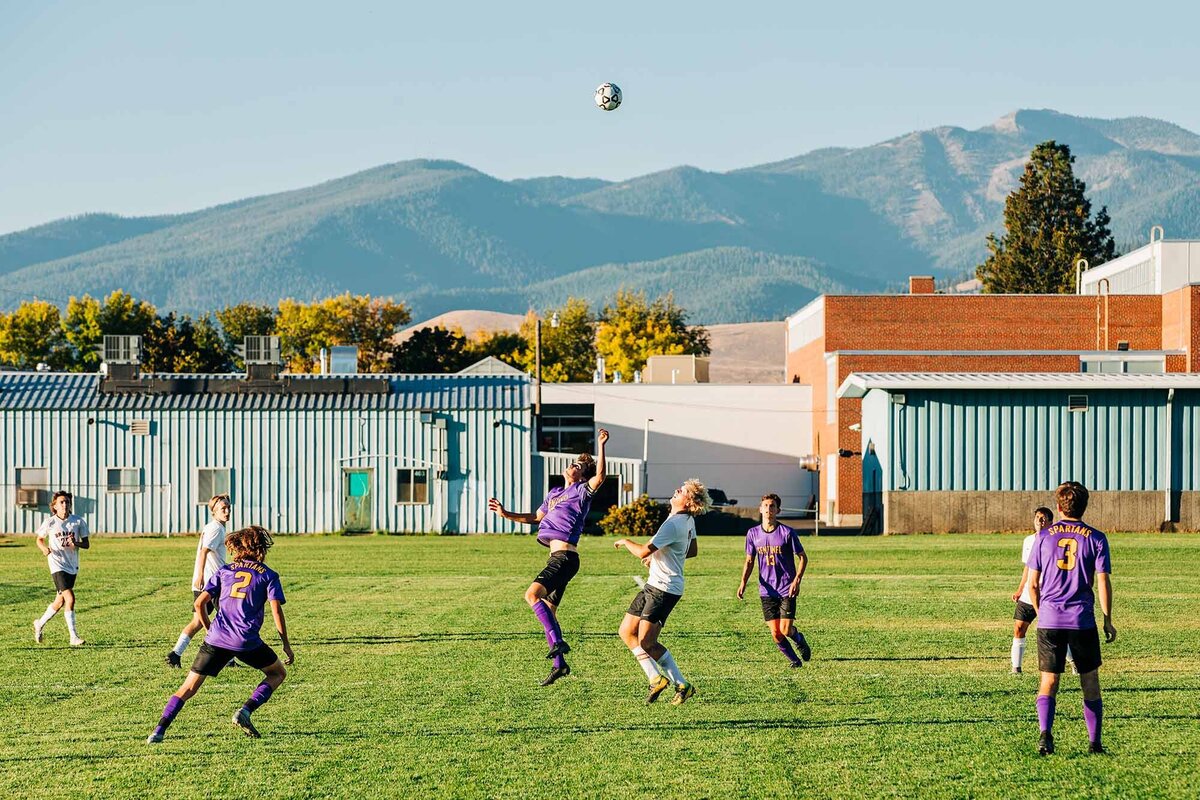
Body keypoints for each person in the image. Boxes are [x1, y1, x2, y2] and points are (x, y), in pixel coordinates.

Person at [146, 525, 294, 743]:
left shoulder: (224, 571)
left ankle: (158, 731)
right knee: (277, 673)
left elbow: (199, 604)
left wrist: (209, 630)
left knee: (187, 688)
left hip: (216, 639)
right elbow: (276, 611)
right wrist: (286, 645)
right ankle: (245, 710)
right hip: (246, 642)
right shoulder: (269, 575)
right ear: (259, 548)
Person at [487, 429, 608, 686]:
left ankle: (559, 643)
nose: (571, 466)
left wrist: (601, 445)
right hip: (557, 558)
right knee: (549, 612)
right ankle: (559, 665)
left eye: (577, 465)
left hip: (565, 557)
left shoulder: (581, 491)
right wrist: (506, 514)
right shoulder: (554, 493)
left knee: (531, 595)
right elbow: (536, 518)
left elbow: (601, 476)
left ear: (582, 474)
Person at [1026, 481, 1116, 756]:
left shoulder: (1043, 536)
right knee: (1089, 681)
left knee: (1049, 681)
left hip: (1050, 619)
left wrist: (1043, 615)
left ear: (1058, 506)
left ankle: (1045, 735)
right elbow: (1102, 582)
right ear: (1085, 505)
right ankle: (1094, 743)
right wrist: (1107, 618)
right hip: (1082, 620)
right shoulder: (1096, 538)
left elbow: (1032, 584)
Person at [615, 478, 711, 705]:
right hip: (654, 584)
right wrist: (659, 557)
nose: (677, 490)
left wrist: (626, 541)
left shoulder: (674, 524)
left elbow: (640, 552)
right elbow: (692, 550)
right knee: (626, 631)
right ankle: (655, 678)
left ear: (689, 502)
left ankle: (682, 684)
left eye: (683, 491)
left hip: (665, 589)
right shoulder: (685, 520)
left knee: (647, 641)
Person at [737, 493, 811, 667]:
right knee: (776, 634)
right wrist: (743, 583)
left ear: (778, 510)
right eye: (766, 506)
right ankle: (794, 661)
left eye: (772, 506)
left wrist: (796, 581)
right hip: (767, 591)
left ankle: (799, 639)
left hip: (787, 588)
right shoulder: (753, 534)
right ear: (760, 509)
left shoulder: (787, 532)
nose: (769, 509)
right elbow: (749, 561)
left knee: (786, 630)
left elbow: (803, 557)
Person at [166, 494, 231, 667]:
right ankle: (229, 659)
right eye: (223, 509)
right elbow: (204, 551)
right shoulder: (216, 528)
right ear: (214, 512)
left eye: (228, 508)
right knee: (227, 619)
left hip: (208, 581)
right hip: (211, 583)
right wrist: (201, 576)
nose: (227, 511)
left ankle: (175, 653)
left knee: (198, 622)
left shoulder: (214, 527)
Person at [1011, 506, 1075, 675]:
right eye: (1037, 517)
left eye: (1043, 518)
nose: (1039, 521)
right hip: (1028, 593)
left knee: (1055, 631)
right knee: (1019, 627)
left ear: (1050, 521)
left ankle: (1073, 661)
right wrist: (1020, 589)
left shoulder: (1055, 540)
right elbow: (1028, 567)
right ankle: (1016, 668)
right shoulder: (1028, 541)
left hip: (1048, 594)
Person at [33, 491, 90, 647]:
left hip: (72, 565)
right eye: (62, 502)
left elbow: (86, 544)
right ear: (55, 506)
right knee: (70, 598)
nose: (65, 504)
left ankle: (40, 623)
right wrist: (43, 548)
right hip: (56, 564)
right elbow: (39, 539)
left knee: (59, 602)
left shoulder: (78, 522)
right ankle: (73, 637)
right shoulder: (50, 522)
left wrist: (75, 543)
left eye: (67, 502)